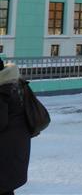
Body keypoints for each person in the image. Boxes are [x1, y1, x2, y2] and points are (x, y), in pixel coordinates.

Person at [0, 58, 31, 195]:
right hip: (17, 146)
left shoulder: (2, 90)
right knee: (7, 186)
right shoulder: (16, 84)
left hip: (5, 149)